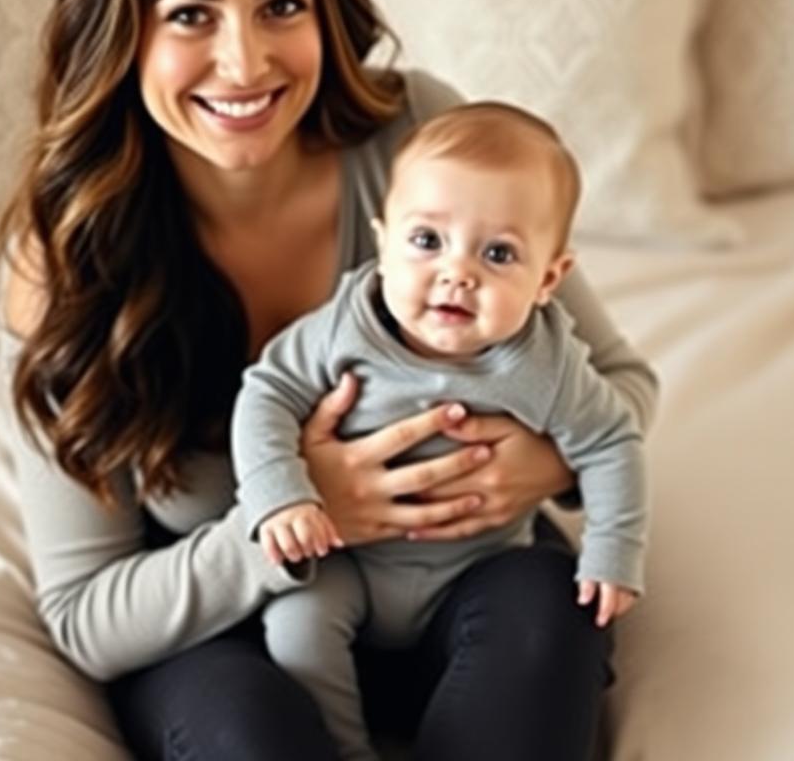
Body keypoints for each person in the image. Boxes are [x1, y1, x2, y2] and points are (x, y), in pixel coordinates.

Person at [0, 0, 658, 761]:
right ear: (122, 27)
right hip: (234, 632)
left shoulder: (419, 134)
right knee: (248, 739)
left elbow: (626, 385)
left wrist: (543, 466)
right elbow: (87, 616)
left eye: (282, 6)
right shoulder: (63, 261)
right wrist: (303, 513)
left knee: (548, 617)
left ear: (325, 7)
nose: (246, 62)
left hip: (465, 581)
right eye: (190, 13)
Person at [232, 102, 647, 760]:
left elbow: (611, 440)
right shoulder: (347, 325)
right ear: (382, 241)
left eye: (500, 253)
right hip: (352, 566)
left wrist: (614, 548)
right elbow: (265, 393)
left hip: (476, 568)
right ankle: (349, 750)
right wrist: (280, 492)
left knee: (545, 607)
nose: (458, 272)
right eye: (427, 241)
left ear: (549, 279)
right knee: (297, 625)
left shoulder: (545, 364)